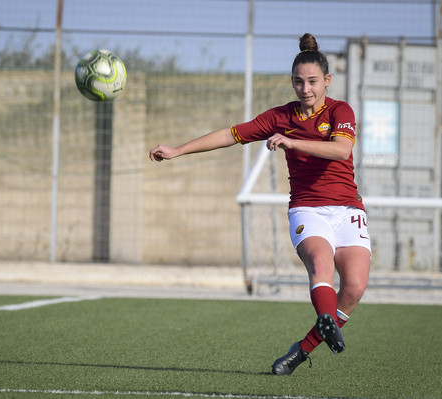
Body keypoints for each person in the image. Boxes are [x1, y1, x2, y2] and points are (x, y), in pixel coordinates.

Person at [149, 33, 371, 375]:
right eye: (298, 82)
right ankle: (326, 319)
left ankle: (302, 348)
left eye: (313, 82)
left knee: (354, 287)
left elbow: (341, 149)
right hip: (308, 209)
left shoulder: (341, 111)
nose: (306, 89)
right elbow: (230, 134)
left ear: (327, 81)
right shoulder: (281, 117)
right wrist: (178, 150)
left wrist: (293, 143)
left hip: (348, 209)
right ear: (292, 83)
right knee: (320, 262)